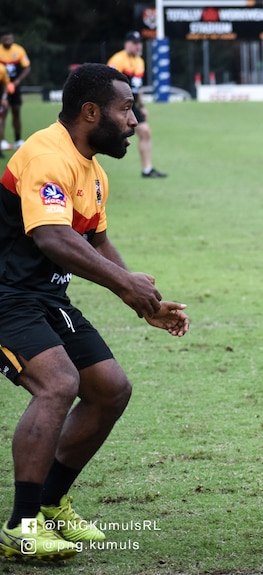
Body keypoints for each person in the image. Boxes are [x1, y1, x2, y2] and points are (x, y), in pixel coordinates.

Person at [0, 63, 189, 561]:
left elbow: (95, 240)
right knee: (58, 384)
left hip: (44, 297)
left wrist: (138, 300)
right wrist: (126, 283)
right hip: (5, 297)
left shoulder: (93, 171)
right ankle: (21, 525)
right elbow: (53, 237)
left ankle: (50, 502)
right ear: (91, 112)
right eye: (125, 108)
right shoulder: (45, 155)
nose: (133, 119)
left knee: (110, 389)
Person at [107, 31, 167, 178]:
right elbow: (109, 85)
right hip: (119, 104)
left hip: (132, 104)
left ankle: (147, 169)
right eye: (135, 43)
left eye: (139, 43)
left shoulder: (140, 62)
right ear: (127, 44)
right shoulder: (117, 60)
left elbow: (137, 88)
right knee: (109, 136)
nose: (138, 46)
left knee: (145, 132)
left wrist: (142, 106)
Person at [0, 31, 31, 151]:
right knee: (3, 114)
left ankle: (18, 140)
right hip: (2, 86)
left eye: (10, 38)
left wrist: (18, 81)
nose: (8, 40)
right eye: (5, 38)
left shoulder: (19, 50)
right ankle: (1, 141)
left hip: (14, 86)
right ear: (2, 39)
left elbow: (27, 67)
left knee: (16, 111)